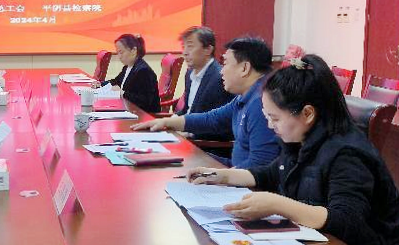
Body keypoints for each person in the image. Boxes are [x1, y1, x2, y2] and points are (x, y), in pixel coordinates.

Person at [185, 54, 399, 245]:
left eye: (275, 118)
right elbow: (273, 173)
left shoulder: (348, 154)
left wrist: (277, 205)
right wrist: (223, 175)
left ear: (307, 113)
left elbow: (347, 220)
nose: (270, 125)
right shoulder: (302, 138)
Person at [132, 36, 279, 168]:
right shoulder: (245, 96)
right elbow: (212, 119)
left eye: (226, 63)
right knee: (181, 156)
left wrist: (217, 175)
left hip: (244, 181)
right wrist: (166, 122)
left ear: (244, 68)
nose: (221, 71)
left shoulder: (261, 103)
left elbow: (260, 166)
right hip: (234, 170)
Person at [176, 26, 234, 140]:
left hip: (204, 143)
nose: (185, 52)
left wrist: (191, 134)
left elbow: (222, 125)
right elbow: (187, 110)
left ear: (208, 49)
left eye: (190, 46)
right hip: (186, 134)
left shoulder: (220, 78)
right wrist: (170, 121)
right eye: (184, 47)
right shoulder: (189, 74)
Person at [97, 34, 160, 113]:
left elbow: (144, 101)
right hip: (129, 110)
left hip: (143, 115)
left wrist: (122, 93)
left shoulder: (143, 71)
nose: (119, 57)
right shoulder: (128, 67)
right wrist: (100, 84)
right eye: (117, 53)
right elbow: (116, 81)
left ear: (133, 51)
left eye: (121, 52)